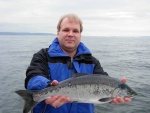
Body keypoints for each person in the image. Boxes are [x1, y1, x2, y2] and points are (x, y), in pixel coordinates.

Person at [25, 14, 131, 113]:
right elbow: (33, 77)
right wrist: (48, 85)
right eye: (66, 30)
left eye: (75, 31)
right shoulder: (43, 55)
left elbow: (103, 81)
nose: (71, 34)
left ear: (80, 35)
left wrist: (113, 94)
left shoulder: (92, 62)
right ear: (58, 33)